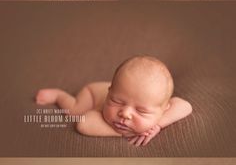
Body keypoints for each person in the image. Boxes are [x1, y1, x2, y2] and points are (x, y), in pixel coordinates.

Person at [38, 56, 191, 147]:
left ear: (164, 109)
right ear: (109, 93)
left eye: (141, 111)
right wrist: (127, 133)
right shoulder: (103, 104)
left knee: (129, 95)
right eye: (116, 101)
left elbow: (185, 106)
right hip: (92, 94)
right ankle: (59, 95)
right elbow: (83, 123)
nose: (124, 113)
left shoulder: (161, 105)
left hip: (128, 93)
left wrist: (158, 124)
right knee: (74, 112)